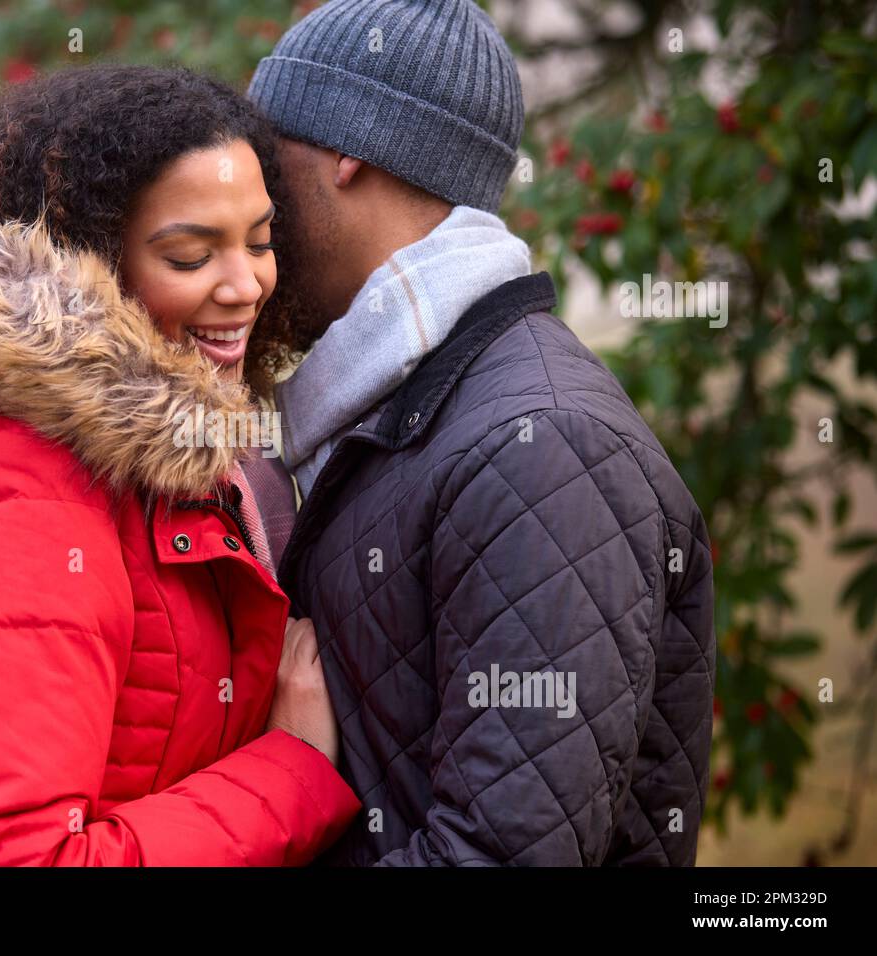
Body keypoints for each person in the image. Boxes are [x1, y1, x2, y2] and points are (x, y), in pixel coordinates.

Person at [0, 65, 359, 866]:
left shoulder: (171, 468)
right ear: (89, 264)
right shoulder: (7, 491)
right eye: (190, 255)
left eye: (260, 241)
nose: (246, 284)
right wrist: (292, 768)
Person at [247, 0, 716, 865]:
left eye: (270, 158)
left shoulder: (543, 447)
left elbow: (501, 855)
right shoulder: (398, 409)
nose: (255, 203)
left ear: (349, 150)